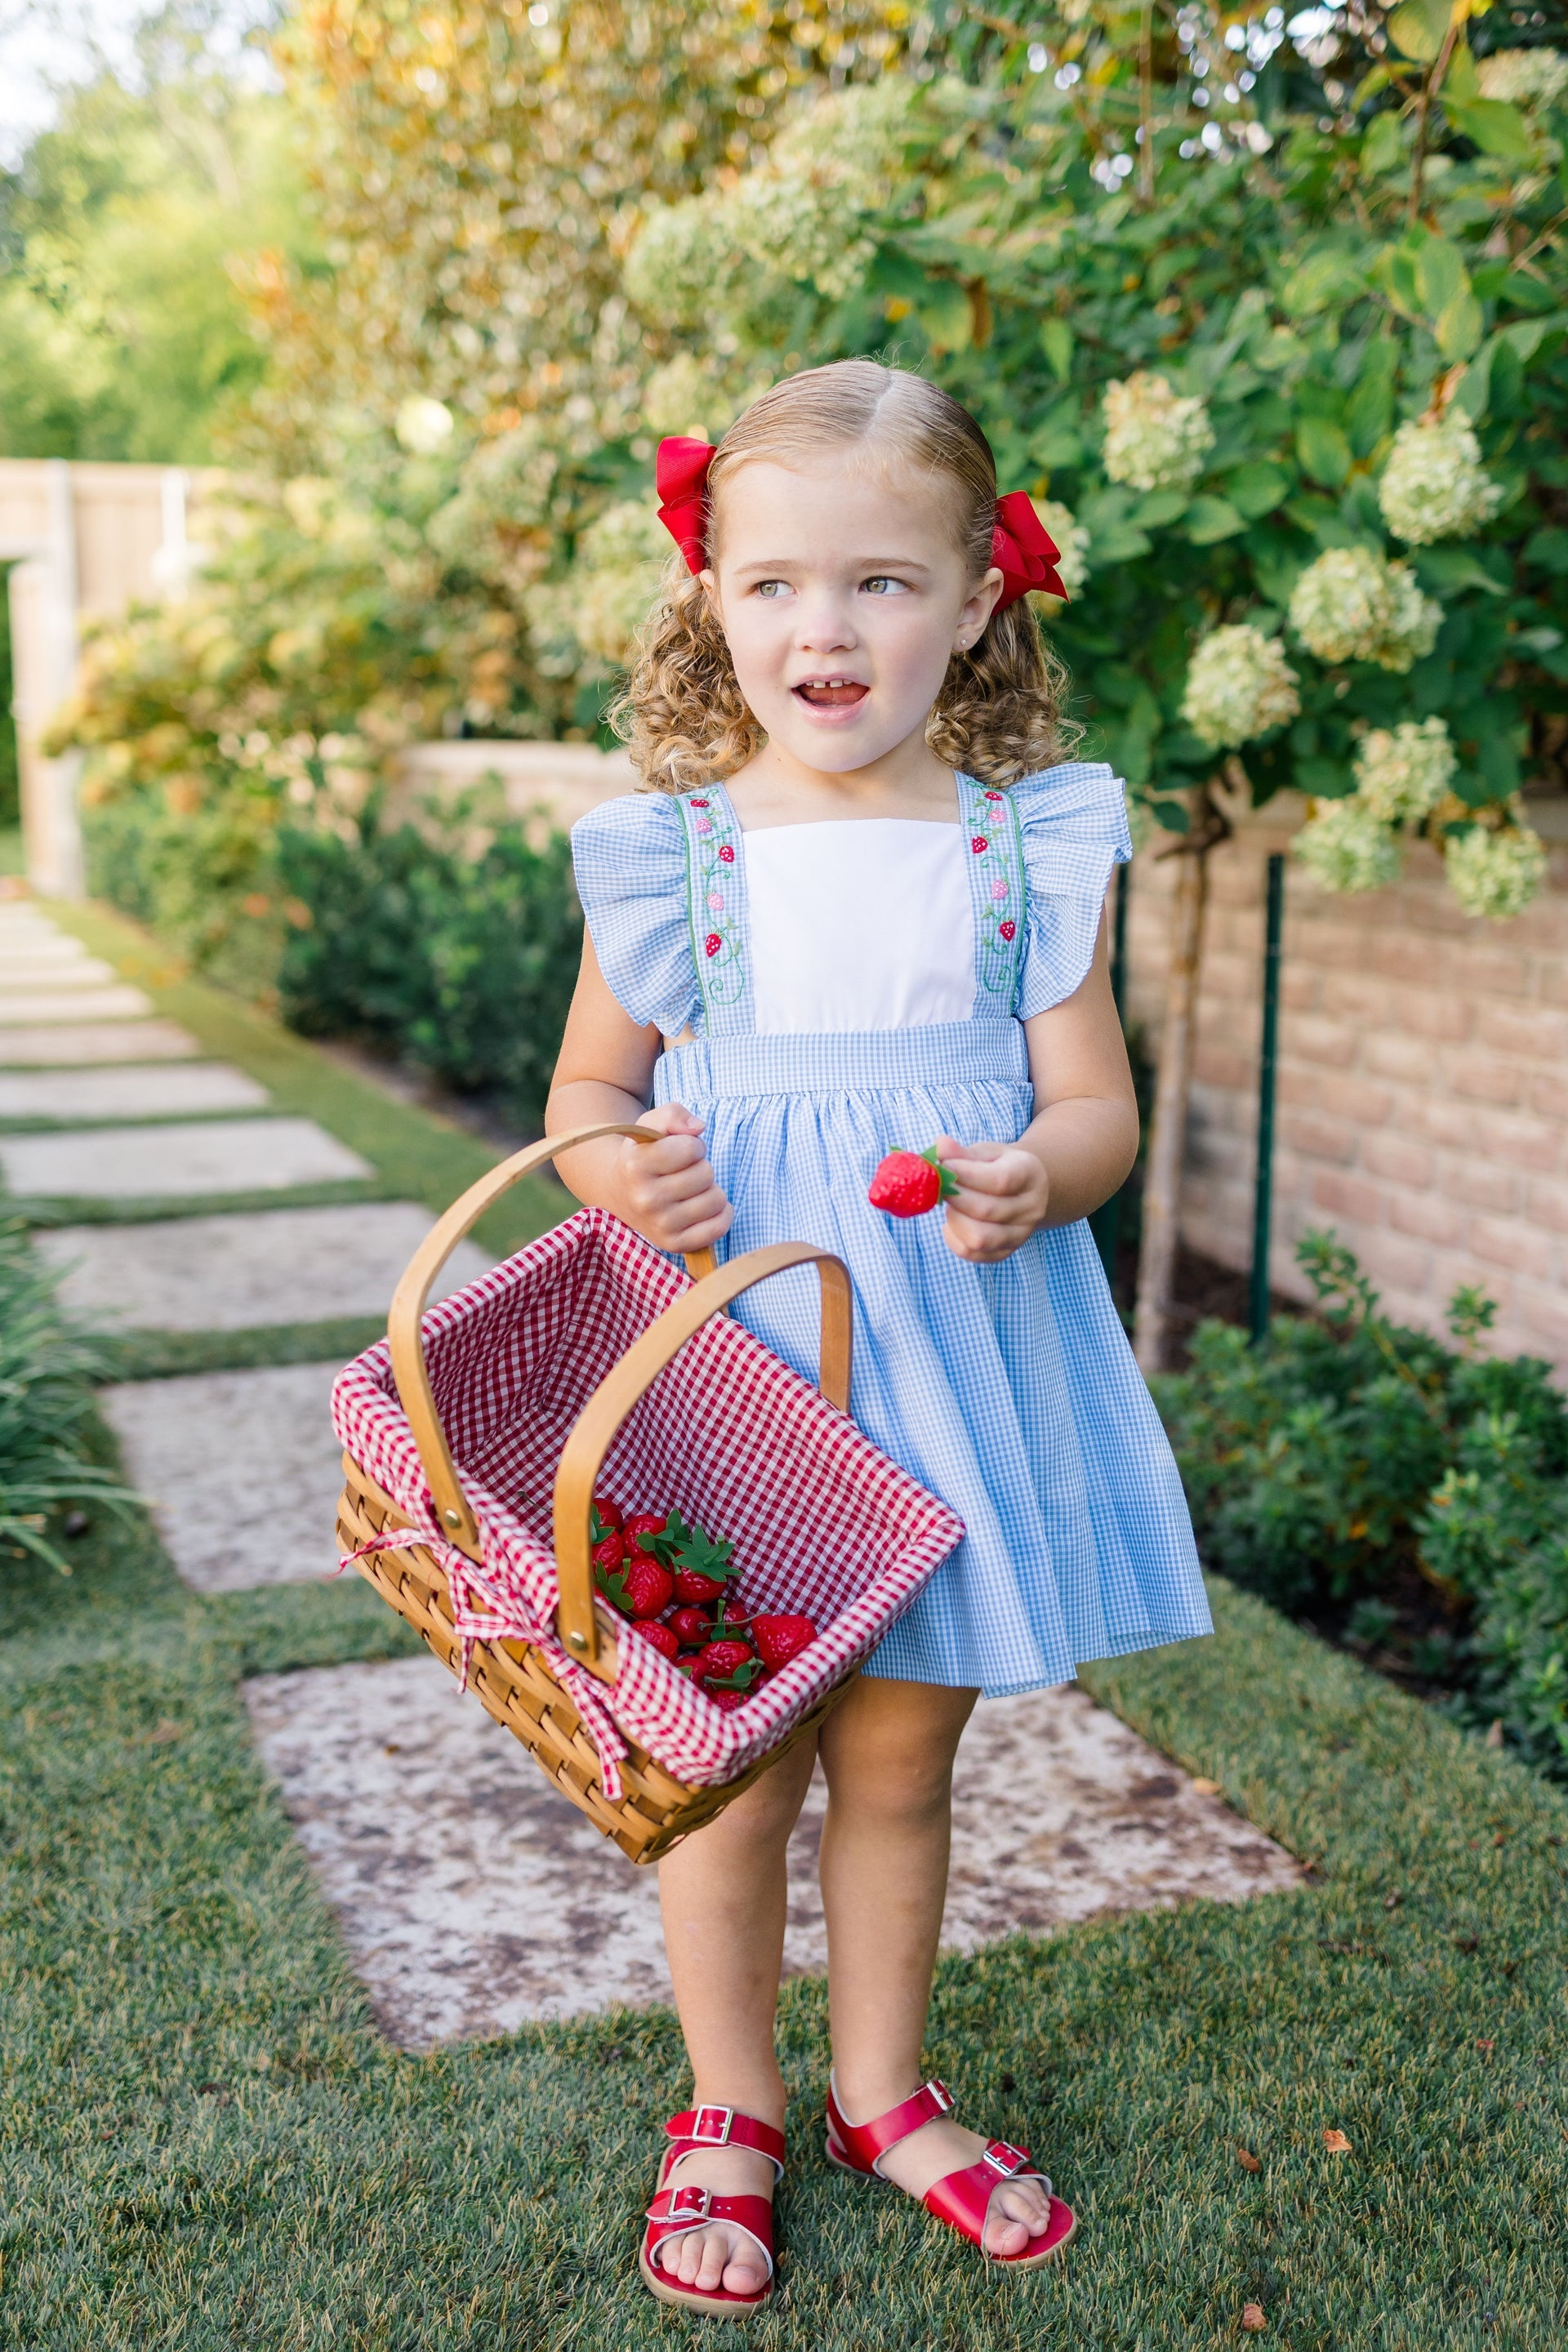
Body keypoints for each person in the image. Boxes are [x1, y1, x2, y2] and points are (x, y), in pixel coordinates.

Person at [546, 359, 1209, 2318]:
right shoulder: (678, 856)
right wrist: (619, 1176)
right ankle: (729, 2106)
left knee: (906, 1758)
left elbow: (1099, 1109)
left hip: (946, 1358)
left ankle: (880, 2090)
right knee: (736, 1759)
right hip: (734, 1359)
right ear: (713, 601)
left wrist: (1042, 1175)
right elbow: (589, 1091)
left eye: (882, 584)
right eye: (773, 586)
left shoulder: (1025, 851)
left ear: (979, 597)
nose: (823, 630)